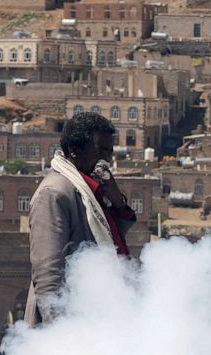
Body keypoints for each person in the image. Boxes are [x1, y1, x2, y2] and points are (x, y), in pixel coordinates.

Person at [25, 112, 136, 326]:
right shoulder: (54, 192)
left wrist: (117, 202)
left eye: (109, 152)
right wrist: (60, 335)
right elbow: (49, 272)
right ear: (75, 150)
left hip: (97, 312)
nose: (107, 160)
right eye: (100, 151)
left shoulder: (90, 189)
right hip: (72, 321)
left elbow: (111, 240)